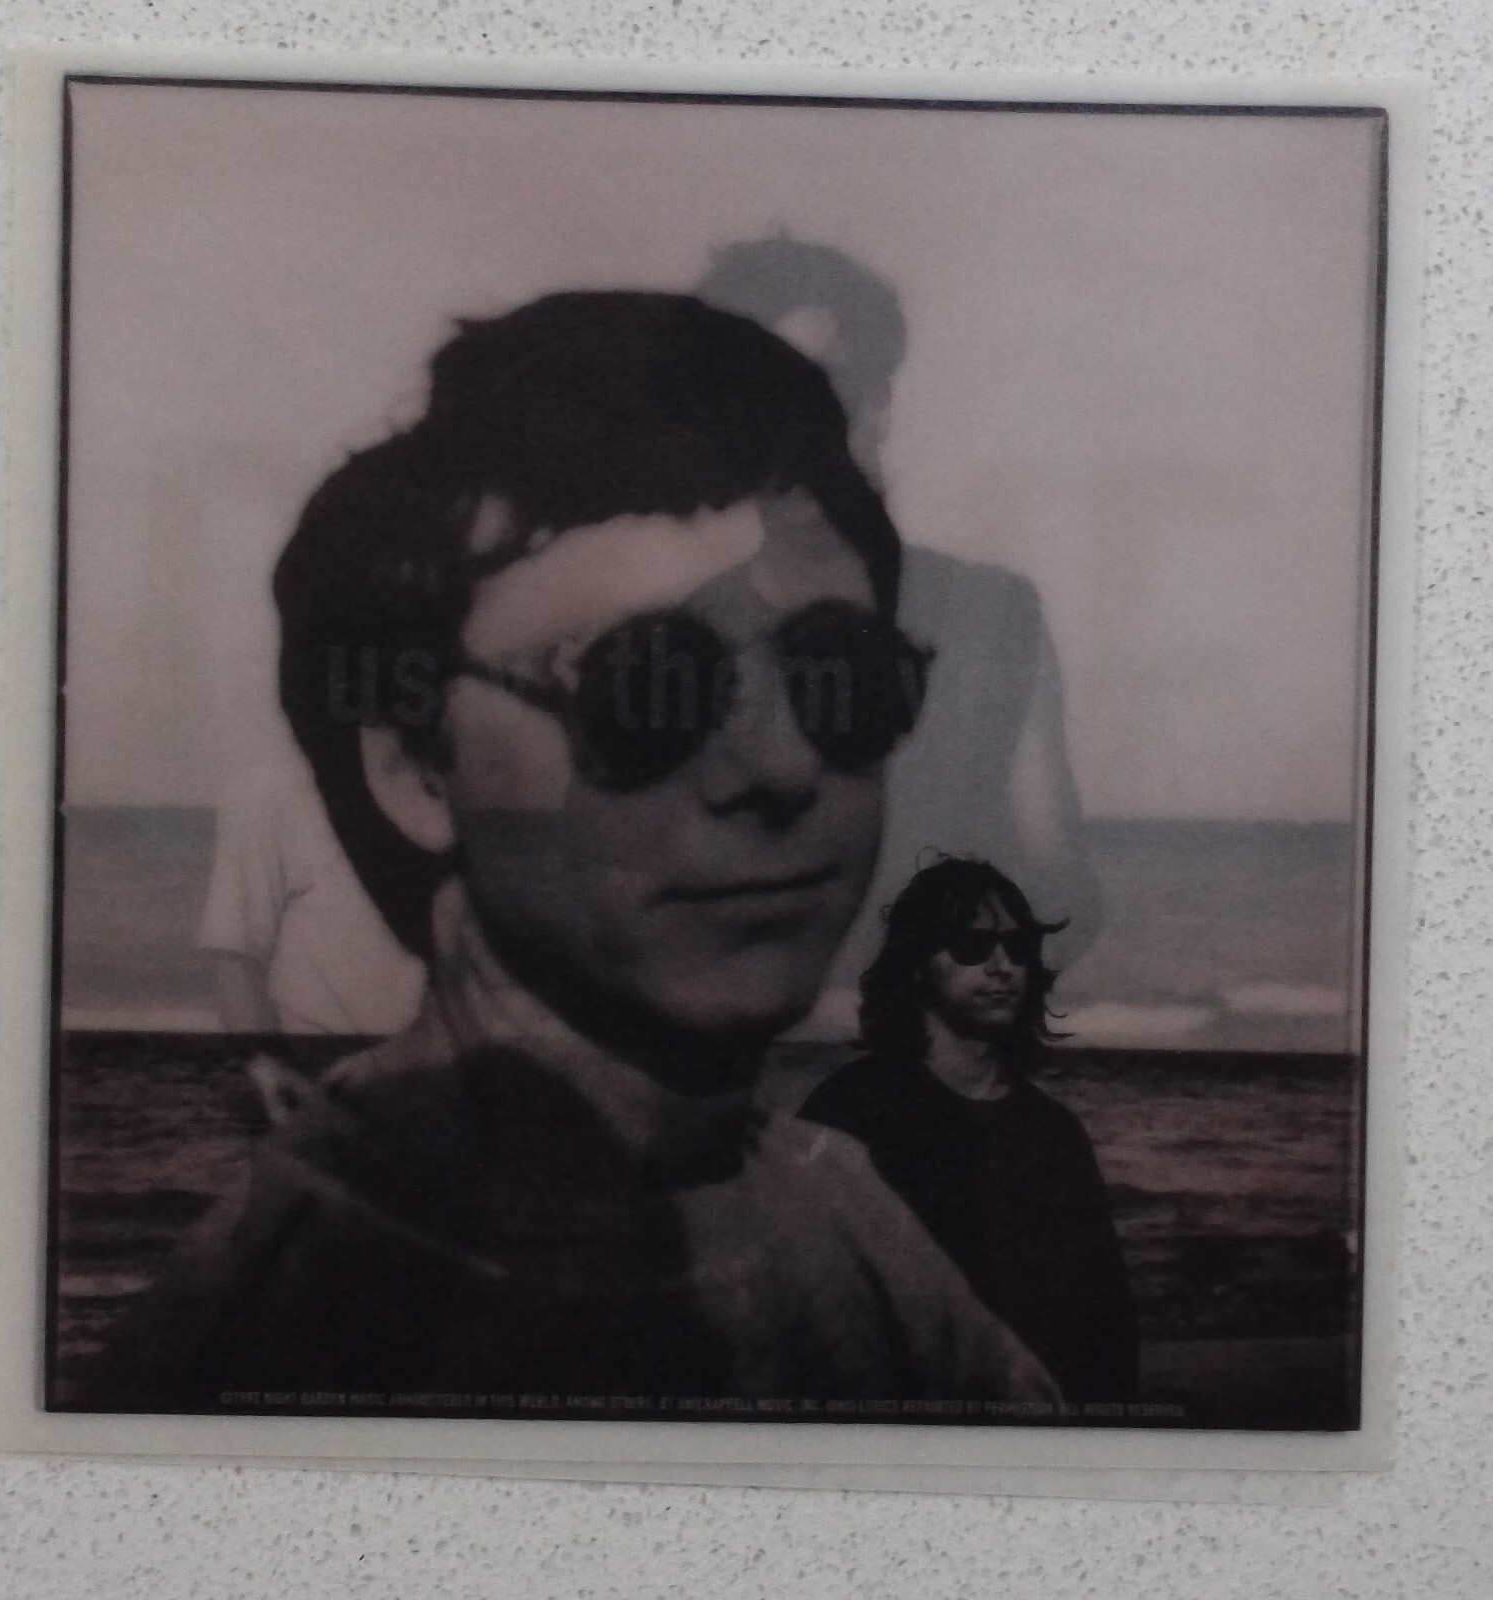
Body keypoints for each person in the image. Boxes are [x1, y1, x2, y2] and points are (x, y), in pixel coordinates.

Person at [87, 291, 1059, 1415]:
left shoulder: (834, 1216)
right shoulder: (313, 1312)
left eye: (841, 681)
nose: (782, 765)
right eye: (648, 687)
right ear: (417, 768)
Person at [696, 239, 1101, 1013]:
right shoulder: (685, 638)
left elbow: (1063, 894)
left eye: (825, 393)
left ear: (880, 406)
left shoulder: (992, 615)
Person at [801, 856, 1138, 1402]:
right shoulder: (850, 1112)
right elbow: (804, 1308)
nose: (1002, 965)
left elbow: (1106, 1317)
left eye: (1018, 947)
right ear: (917, 964)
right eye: (971, 946)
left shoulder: (1054, 1134)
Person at [197, 756, 426, 1034]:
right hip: (322, 1049)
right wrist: (261, 1058)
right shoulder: (266, 792)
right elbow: (234, 961)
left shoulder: (444, 792)